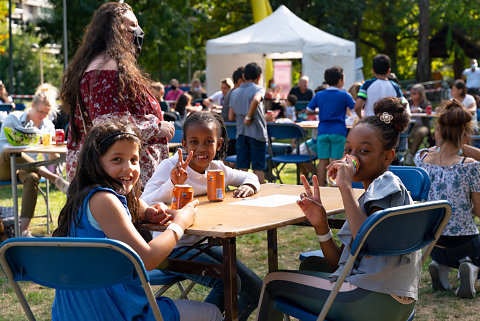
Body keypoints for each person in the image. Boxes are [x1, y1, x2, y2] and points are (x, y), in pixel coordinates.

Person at [256, 97, 416, 321]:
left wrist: (346, 187)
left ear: (387, 156)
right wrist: (321, 224)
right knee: (311, 264)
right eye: (349, 149)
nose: (352, 158)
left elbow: (368, 244)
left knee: (273, 283)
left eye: (364, 151)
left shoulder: (385, 185)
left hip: (371, 298)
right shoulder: (371, 195)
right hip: (391, 301)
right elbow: (341, 262)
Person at [51, 122, 222, 321]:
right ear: (95, 163)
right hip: (114, 312)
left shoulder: (85, 195)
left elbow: (139, 207)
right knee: (213, 313)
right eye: (117, 159)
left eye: (134, 159)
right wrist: (180, 223)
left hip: (77, 312)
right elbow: (148, 259)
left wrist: (150, 212)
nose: (129, 168)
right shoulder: (105, 200)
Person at [142, 111, 262, 321]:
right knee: (229, 282)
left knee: (256, 289)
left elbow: (249, 175)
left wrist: (249, 186)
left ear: (219, 143)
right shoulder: (170, 166)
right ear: (184, 144)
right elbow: (145, 202)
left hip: (205, 242)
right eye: (194, 142)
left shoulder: (217, 168)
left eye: (208, 142)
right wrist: (174, 185)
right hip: (172, 248)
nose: (201, 149)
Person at [61, 2, 174, 187]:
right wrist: (156, 127)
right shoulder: (107, 69)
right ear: (113, 29)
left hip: (120, 175)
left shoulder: (100, 66)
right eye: (131, 25)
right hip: (122, 179)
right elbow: (110, 126)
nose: (137, 31)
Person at [414, 99, 480, 299]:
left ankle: (439, 267)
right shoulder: (470, 166)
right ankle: (471, 268)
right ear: (465, 135)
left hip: (432, 242)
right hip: (465, 244)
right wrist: (461, 143)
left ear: (437, 132)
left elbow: (437, 148)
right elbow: (478, 211)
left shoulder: (421, 158)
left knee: (444, 252)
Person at [0, 83, 69, 237]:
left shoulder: (48, 126)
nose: (43, 116)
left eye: (47, 113)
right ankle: (55, 180)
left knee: (32, 177)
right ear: (32, 105)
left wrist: (52, 148)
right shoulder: (14, 118)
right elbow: (3, 149)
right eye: (40, 112)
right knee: (10, 153)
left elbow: (52, 159)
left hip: (28, 168)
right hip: (4, 167)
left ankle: (22, 231)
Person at [305, 66, 355, 186]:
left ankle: (321, 187)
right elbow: (355, 110)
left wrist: (320, 111)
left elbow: (308, 110)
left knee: (322, 161)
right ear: (340, 80)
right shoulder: (345, 95)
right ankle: (335, 187)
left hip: (322, 131)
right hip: (338, 131)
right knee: (336, 162)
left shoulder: (319, 95)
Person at [229, 62, 267, 184]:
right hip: (256, 133)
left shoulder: (234, 92)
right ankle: (260, 196)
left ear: (244, 76)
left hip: (240, 133)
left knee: (242, 169)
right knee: (258, 168)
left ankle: (241, 195)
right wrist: (249, 116)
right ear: (259, 77)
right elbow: (256, 99)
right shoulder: (259, 89)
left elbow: (231, 116)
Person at [354, 54, 404, 118]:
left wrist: (361, 118)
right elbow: (402, 105)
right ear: (389, 71)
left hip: (370, 122)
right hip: (389, 123)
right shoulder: (395, 87)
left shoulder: (367, 85)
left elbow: (357, 106)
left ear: (373, 70)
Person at [405, 84, 432, 165]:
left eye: (414, 93)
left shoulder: (426, 103)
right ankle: (414, 152)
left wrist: (420, 111)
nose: (411, 95)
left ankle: (411, 155)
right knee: (401, 134)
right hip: (409, 126)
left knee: (420, 132)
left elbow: (430, 115)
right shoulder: (408, 102)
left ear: (421, 94)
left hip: (422, 126)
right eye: (411, 93)